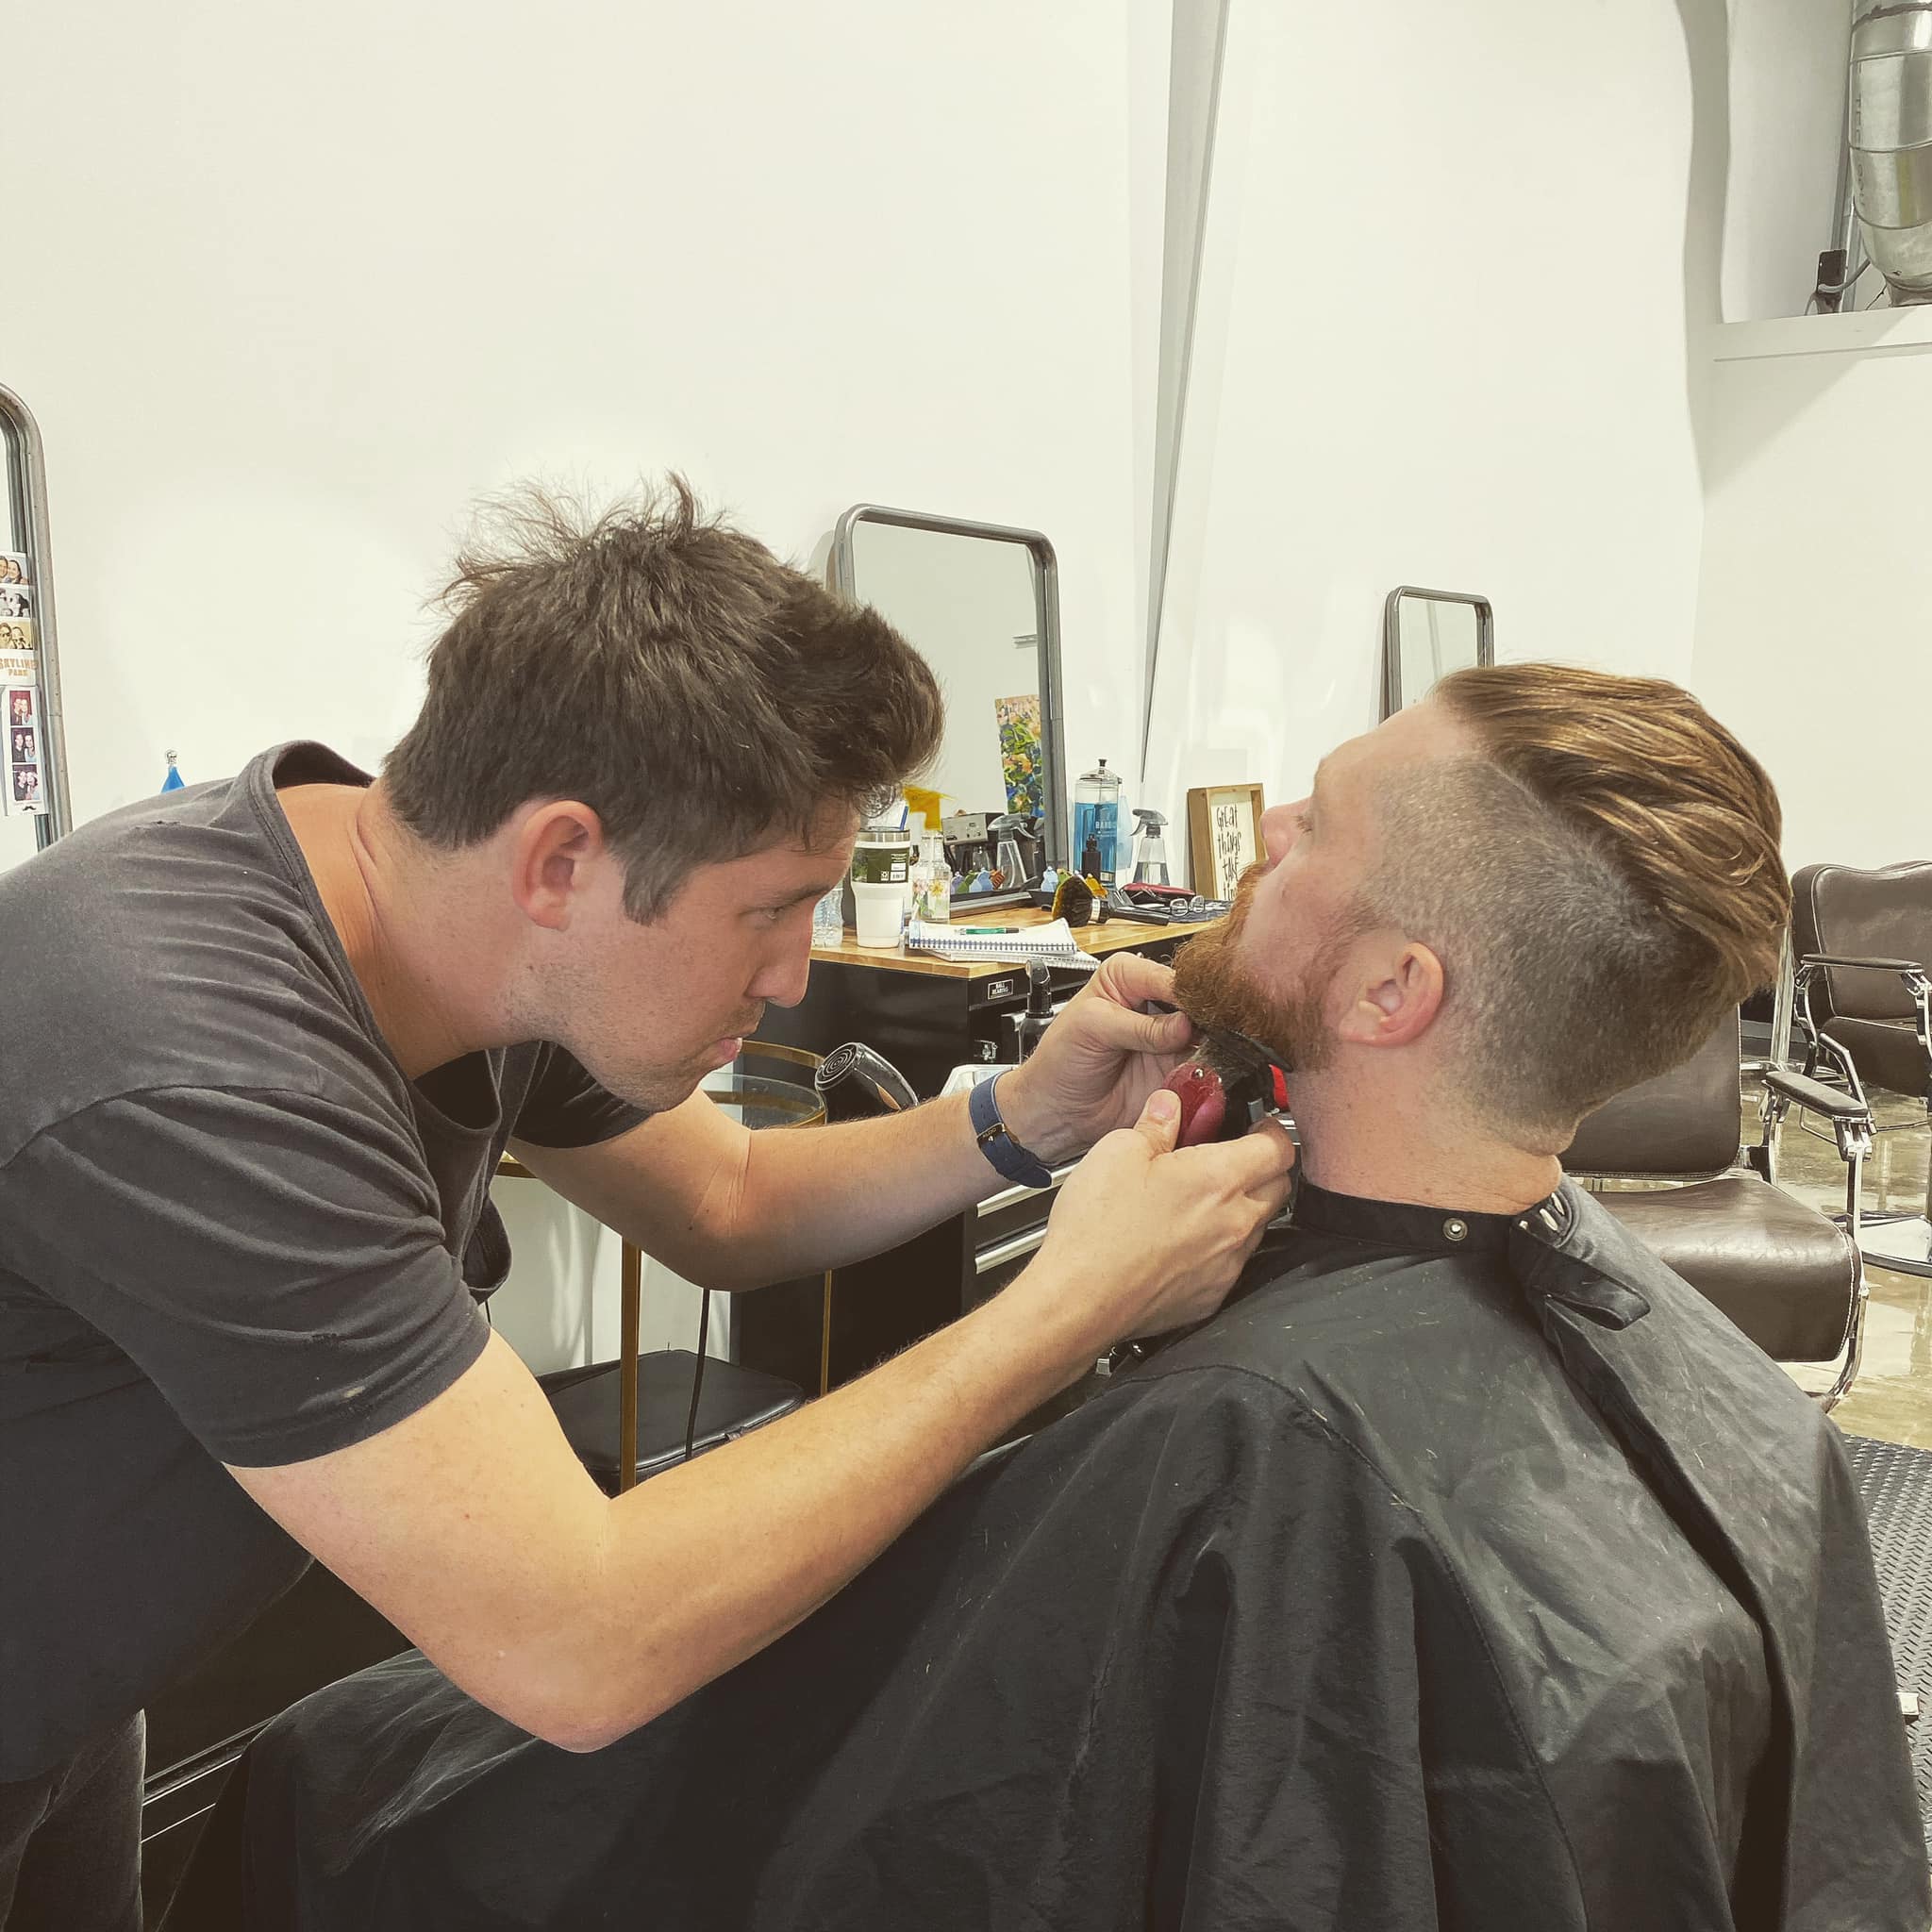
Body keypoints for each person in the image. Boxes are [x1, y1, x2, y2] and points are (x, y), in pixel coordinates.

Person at [204, 663, 1928, 1931]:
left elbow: (609, 1674)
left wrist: (1060, 1309)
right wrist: (1022, 1135)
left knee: (346, 1774)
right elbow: (725, 1199)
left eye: (1312, 824)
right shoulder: (1702, 1388)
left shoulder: (1268, 1430)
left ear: (1394, 988)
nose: (1256, 845)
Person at [0, 481, 1294, 1931]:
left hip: (74, 1692)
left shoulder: (455, 925)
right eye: (773, 908)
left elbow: (727, 1199)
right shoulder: (196, 1071)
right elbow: (581, 1639)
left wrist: (1020, 1121)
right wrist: (1072, 1306)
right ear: (563, 859)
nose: (799, 972)